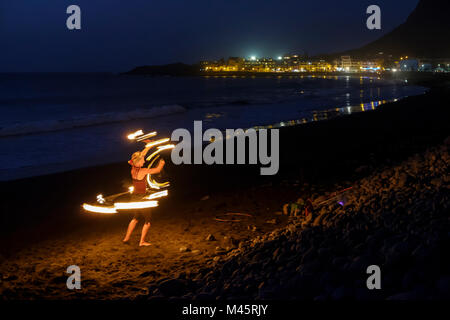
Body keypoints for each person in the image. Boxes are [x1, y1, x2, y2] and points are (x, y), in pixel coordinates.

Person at [122, 142, 165, 246]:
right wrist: (161, 163)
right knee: (148, 220)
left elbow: (141, 155)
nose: (144, 160)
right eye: (143, 160)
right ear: (138, 162)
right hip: (142, 199)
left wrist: (148, 146)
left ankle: (126, 238)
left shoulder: (133, 168)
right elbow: (157, 170)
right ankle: (142, 241)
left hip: (134, 197)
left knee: (136, 218)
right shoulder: (143, 171)